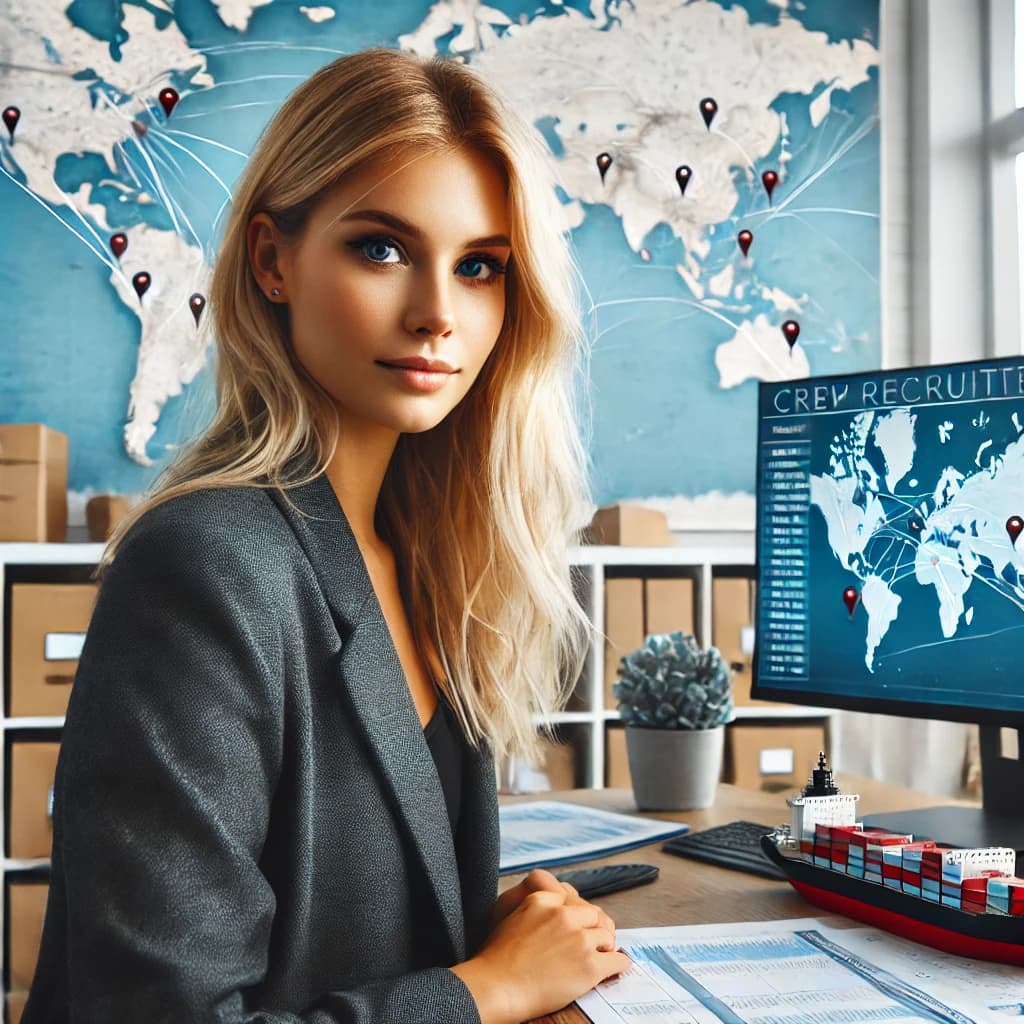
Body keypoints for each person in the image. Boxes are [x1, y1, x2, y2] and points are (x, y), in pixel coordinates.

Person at [23, 47, 631, 1024]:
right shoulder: (205, 565)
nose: (438, 313)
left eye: (479, 267)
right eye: (382, 249)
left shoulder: (433, 556)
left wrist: (488, 929)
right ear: (272, 260)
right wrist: (486, 987)